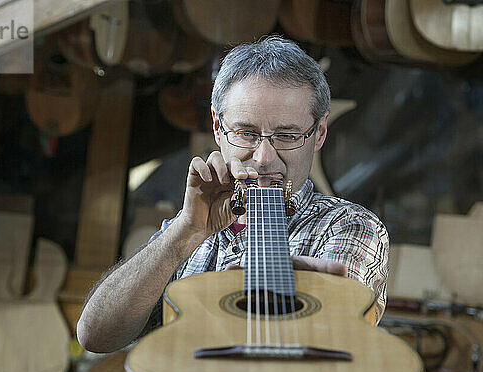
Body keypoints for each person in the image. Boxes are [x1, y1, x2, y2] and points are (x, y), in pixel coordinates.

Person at [78, 35, 389, 353]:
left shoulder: (349, 226)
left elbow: (332, 356)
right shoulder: (186, 226)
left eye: (287, 135)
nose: (264, 158)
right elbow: (95, 336)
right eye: (246, 133)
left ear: (319, 132)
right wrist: (186, 231)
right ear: (217, 126)